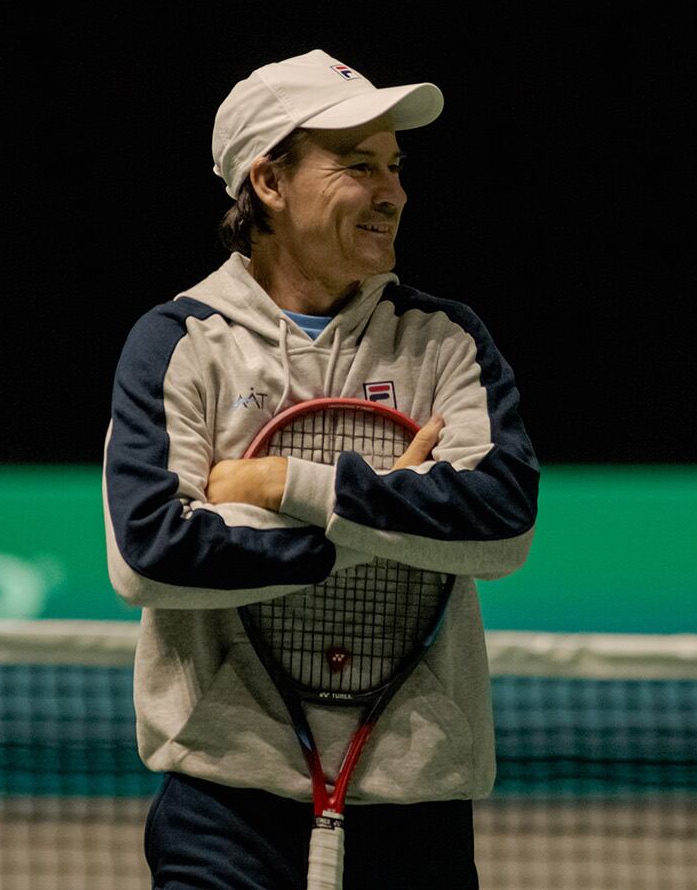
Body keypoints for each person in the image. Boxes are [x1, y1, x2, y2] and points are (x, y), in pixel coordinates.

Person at [103, 49, 539, 890]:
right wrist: (382, 522)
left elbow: (504, 520)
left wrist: (280, 487)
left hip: (416, 797)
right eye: (358, 165)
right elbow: (151, 551)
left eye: (396, 167)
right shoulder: (179, 344)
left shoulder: (444, 340)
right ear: (268, 183)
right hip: (225, 803)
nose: (394, 192)